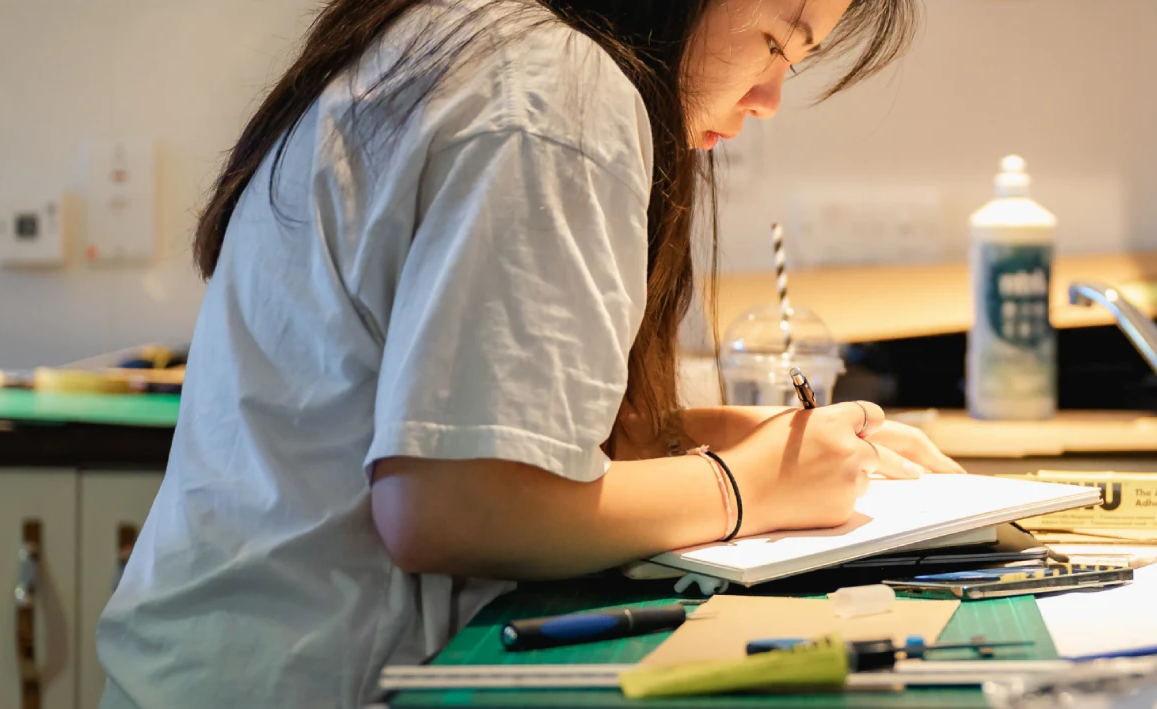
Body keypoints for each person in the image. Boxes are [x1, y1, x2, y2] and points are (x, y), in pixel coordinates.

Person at [96, 0, 954, 705]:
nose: (768, 96)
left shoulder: (466, 42)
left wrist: (728, 434)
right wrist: (748, 487)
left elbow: (494, 424)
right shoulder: (557, 94)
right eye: (775, 42)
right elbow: (454, 503)